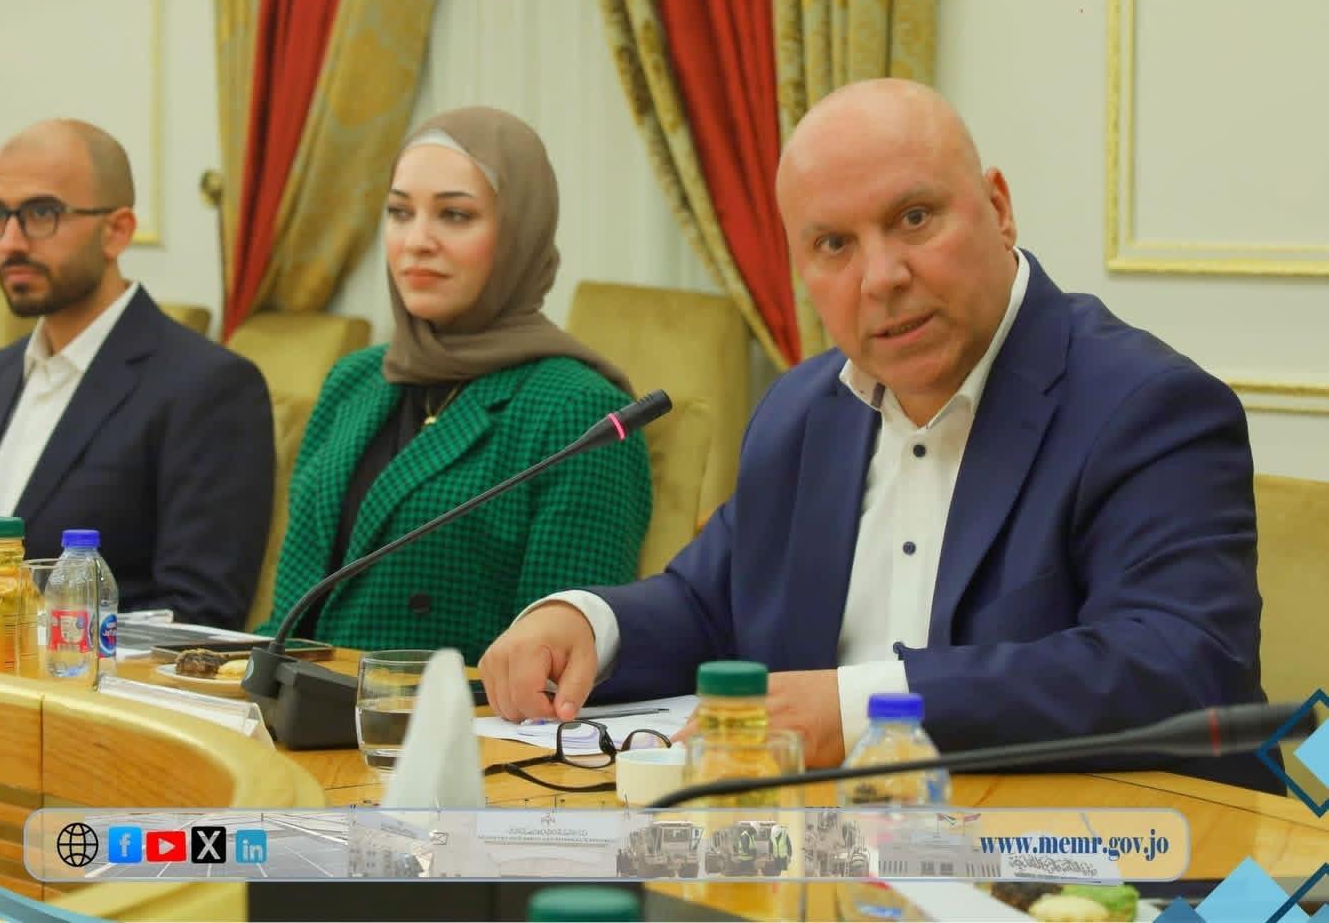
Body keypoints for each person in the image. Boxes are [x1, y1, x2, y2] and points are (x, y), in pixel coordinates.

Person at [479, 79, 1275, 790]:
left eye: (915, 219)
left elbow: (1179, 662)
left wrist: (860, 709)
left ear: (999, 208)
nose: (882, 278)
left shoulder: (1144, 406)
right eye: (834, 245)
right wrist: (587, 624)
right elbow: (712, 602)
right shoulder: (803, 410)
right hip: (830, 848)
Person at [259, 107, 652, 662]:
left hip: (452, 715)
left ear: (519, 233)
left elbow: (553, 663)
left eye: (455, 215)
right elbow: (289, 614)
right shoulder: (354, 381)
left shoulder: (578, 410)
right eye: (399, 212)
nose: (417, 241)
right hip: (293, 704)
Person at [0, 119, 275, 628]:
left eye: (41, 213)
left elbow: (199, 615)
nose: (10, 241)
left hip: (82, 675)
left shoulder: (207, 386)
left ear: (116, 232)